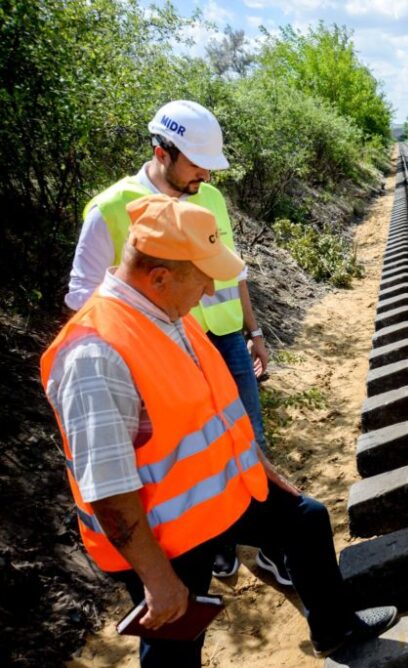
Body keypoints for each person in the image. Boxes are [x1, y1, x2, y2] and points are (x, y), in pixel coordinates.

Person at [42, 194, 397, 665]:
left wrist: (262, 468)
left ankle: (335, 630)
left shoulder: (166, 315)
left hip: (218, 494)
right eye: (203, 275)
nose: (211, 289)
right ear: (160, 276)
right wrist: (156, 578)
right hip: (164, 534)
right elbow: (107, 488)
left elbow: (215, 412)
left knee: (304, 519)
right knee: (174, 642)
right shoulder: (95, 354)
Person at [65, 100, 275, 582]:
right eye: (197, 162)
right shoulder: (110, 209)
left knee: (248, 441)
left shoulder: (211, 198)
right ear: (163, 151)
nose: (205, 172)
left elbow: (232, 270)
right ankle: (212, 545)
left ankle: (269, 544)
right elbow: (83, 302)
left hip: (220, 341)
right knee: (189, 461)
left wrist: (254, 330)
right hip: (158, 360)